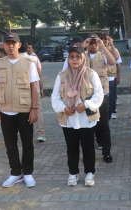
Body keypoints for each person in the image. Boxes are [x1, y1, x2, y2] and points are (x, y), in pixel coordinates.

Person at [51, 43, 103, 186]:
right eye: (71, 57)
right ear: (68, 59)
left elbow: (99, 94)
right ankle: (73, 173)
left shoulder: (91, 74)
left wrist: (85, 104)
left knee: (88, 147)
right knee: (71, 148)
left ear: (83, 58)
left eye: (78, 57)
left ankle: (90, 173)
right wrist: (63, 108)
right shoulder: (62, 76)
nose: (74, 60)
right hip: (69, 118)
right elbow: (55, 96)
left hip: (86, 118)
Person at [0, 33, 39, 188]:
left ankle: (28, 173)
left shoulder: (28, 63)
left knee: (27, 144)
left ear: (19, 45)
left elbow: (34, 87)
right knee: (10, 144)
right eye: (7, 43)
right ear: (3, 46)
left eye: (13, 43)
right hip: (5, 110)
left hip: (24, 110)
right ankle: (15, 173)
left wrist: (34, 109)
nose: (10, 46)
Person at [82, 34, 117, 163]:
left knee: (104, 125)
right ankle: (89, 153)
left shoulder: (103, 55)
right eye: (91, 43)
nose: (93, 45)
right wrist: (82, 47)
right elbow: (67, 66)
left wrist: (103, 45)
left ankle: (106, 152)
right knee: (88, 125)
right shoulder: (81, 56)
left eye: (95, 42)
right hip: (85, 95)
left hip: (102, 94)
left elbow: (112, 61)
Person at [19, 41, 46, 142]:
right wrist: (41, 88)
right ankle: (41, 134)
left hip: (22, 90)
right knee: (38, 111)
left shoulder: (16, 59)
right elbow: (39, 75)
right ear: (27, 49)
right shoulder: (34, 59)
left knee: (22, 111)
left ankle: (24, 135)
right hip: (36, 88)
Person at [101, 32, 122, 120]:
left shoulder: (113, 49)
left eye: (106, 38)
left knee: (111, 96)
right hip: (101, 77)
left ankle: (112, 111)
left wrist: (118, 76)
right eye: (102, 38)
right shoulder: (98, 49)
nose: (104, 40)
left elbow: (117, 61)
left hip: (111, 77)